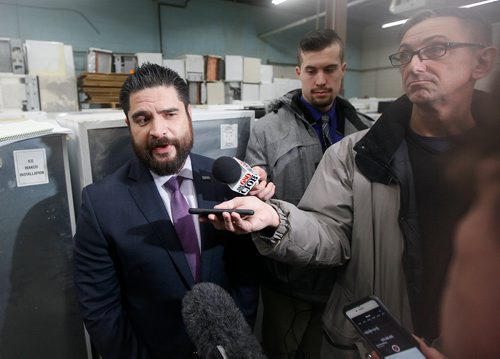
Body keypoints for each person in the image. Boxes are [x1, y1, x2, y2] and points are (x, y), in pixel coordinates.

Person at [208, 7, 497, 359]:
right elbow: (331, 228)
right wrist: (273, 217)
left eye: (437, 49)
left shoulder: (359, 126)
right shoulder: (352, 151)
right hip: (344, 318)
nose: (416, 66)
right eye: (405, 55)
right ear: (298, 73)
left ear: (482, 62)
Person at [72, 63, 265, 359]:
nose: (158, 130)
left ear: (189, 114)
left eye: (170, 114)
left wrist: (235, 341)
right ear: (129, 125)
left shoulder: (225, 181)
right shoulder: (101, 204)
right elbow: (101, 310)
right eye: (143, 118)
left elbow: (246, 276)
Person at [245, 28, 371, 358]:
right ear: (298, 72)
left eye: (329, 69)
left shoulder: (365, 130)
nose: (320, 80)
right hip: (287, 283)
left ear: (343, 69)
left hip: (346, 281)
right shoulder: (266, 128)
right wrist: (256, 189)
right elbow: (253, 193)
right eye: (311, 70)